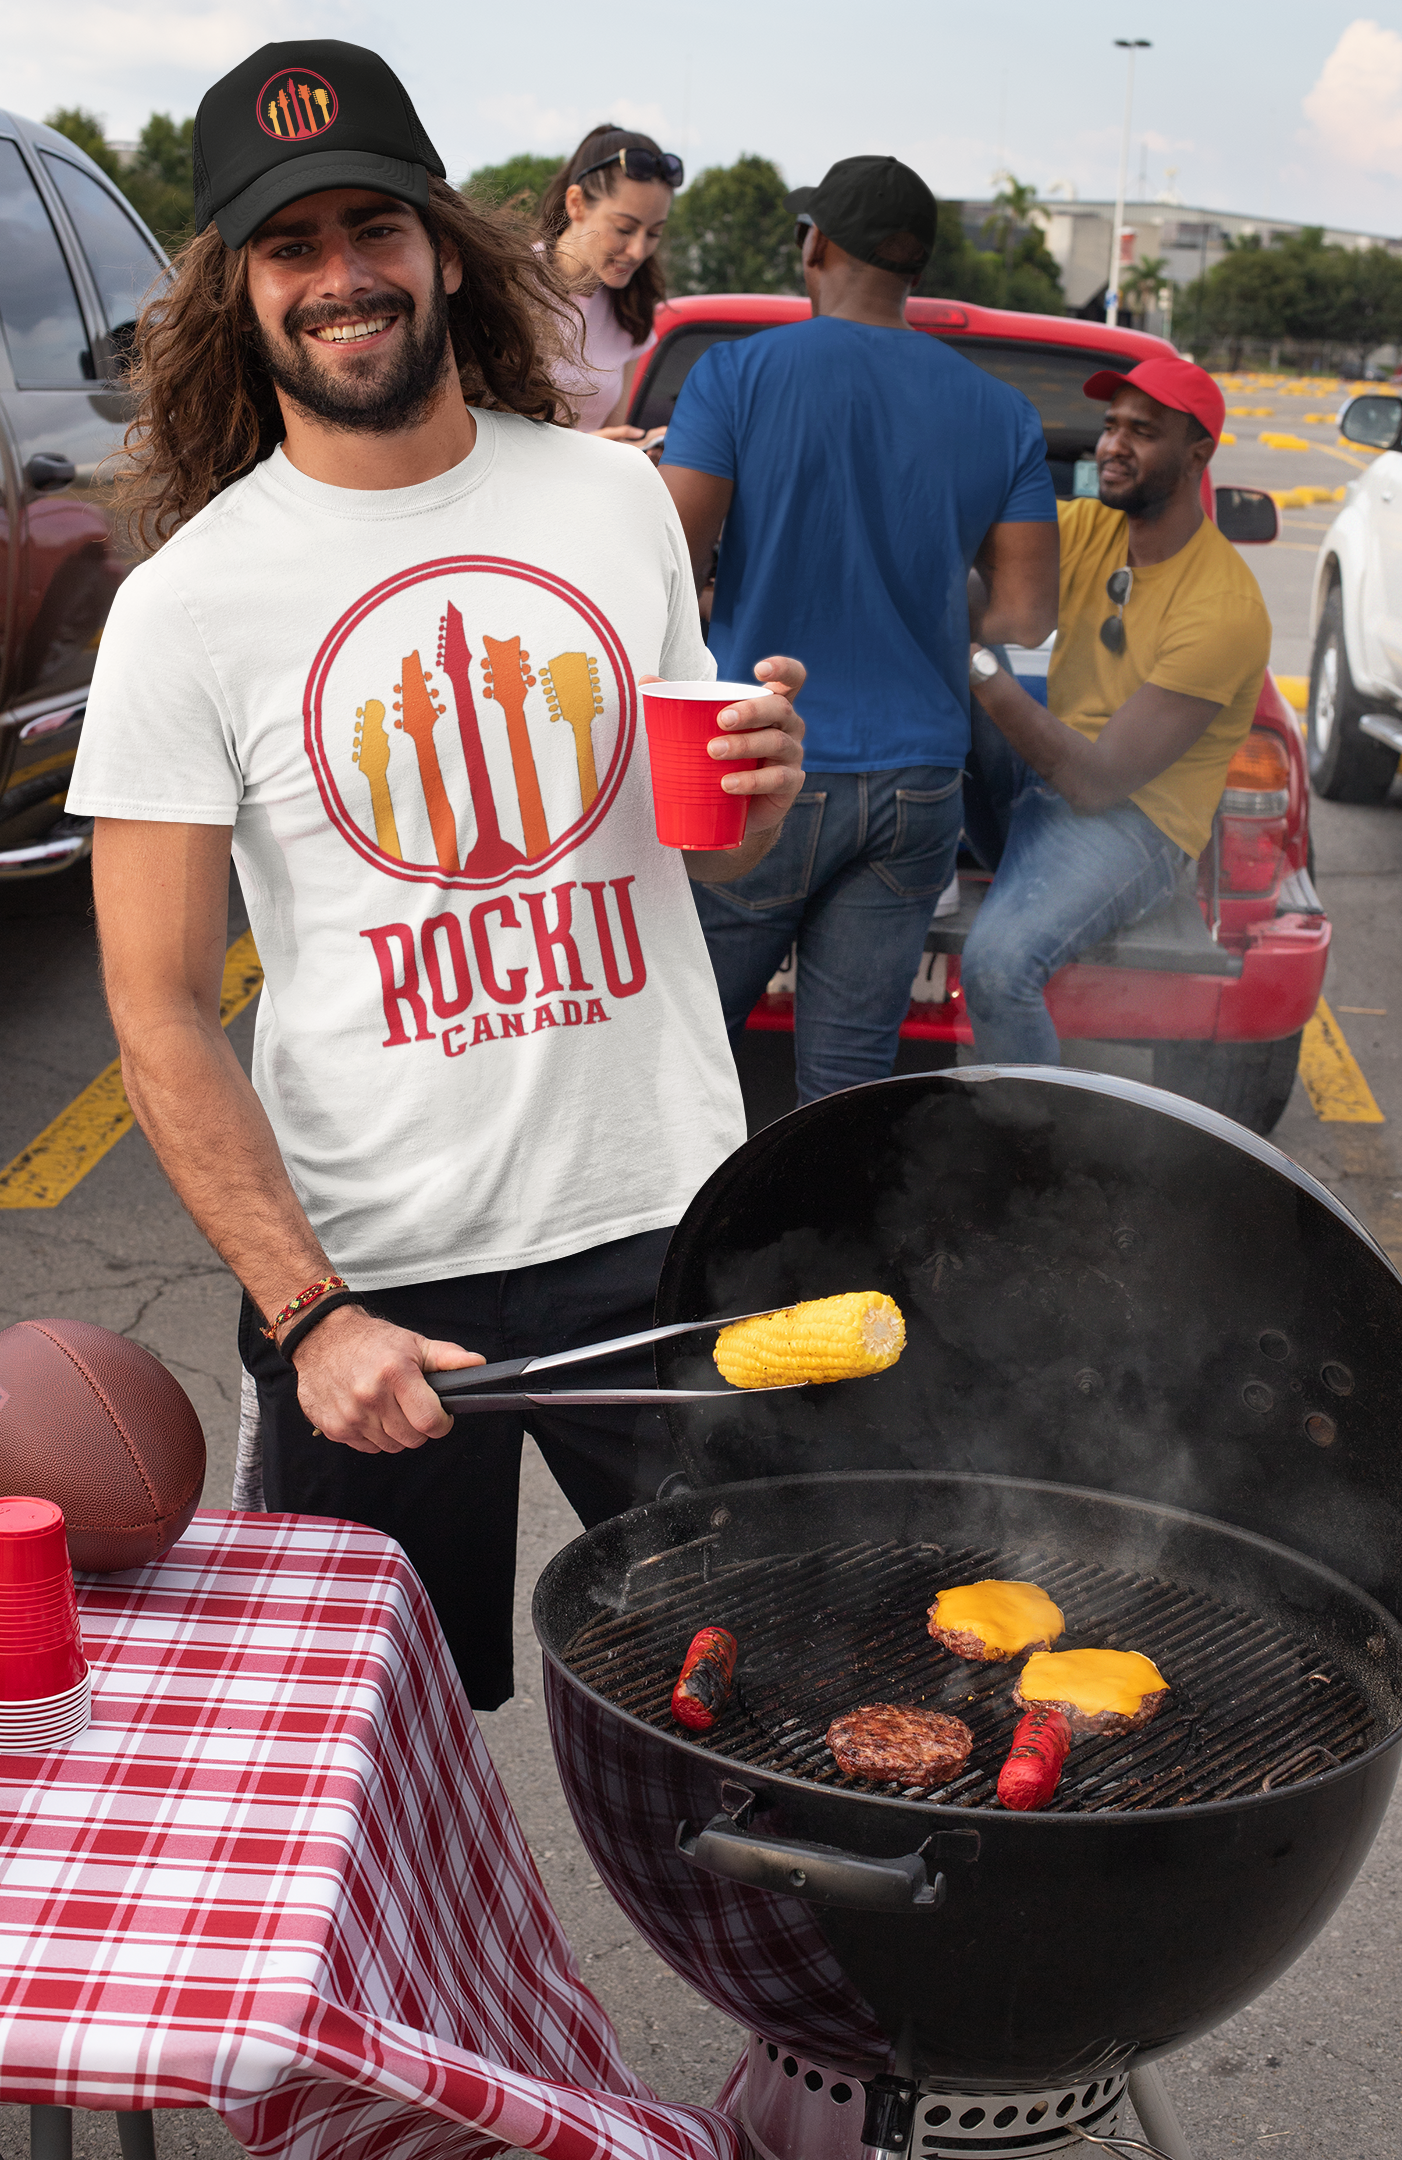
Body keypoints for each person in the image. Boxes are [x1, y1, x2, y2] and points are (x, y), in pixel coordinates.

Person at [66, 38, 805, 1712]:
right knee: (366, 1745)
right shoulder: (191, 606)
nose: (340, 277)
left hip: (663, 1223)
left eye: (370, 228)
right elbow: (159, 1012)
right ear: (240, 292)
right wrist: (307, 1307)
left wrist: (759, 793)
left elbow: (705, 836)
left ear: (442, 247)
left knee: (752, 1696)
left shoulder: (614, 512)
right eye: (289, 245)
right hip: (377, 1274)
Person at [659, 156, 1058, 1104]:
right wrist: (922, 592)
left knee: (682, 1053)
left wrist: (728, 595)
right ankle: (823, 1249)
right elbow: (1025, 615)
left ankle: (672, 1247)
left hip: (768, 768)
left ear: (818, 247)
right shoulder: (1002, 413)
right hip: (922, 782)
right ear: (914, 267)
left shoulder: (737, 376)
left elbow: (665, 565)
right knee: (847, 1084)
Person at [959, 356, 1272, 1064]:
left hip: (1132, 825)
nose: (1111, 446)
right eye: (1109, 426)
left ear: (1197, 455)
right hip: (1040, 788)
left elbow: (1099, 783)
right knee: (942, 595)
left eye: (1142, 431)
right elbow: (971, 548)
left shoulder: (1223, 608)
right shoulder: (1089, 528)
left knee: (999, 970)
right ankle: (891, 848)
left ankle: (1028, 1158)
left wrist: (972, 660)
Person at [537, 125, 681, 447]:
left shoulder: (631, 311)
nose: (639, 251)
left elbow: (611, 439)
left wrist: (638, 449)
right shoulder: (508, 285)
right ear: (576, 203)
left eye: (654, 233)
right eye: (624, 228)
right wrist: (586, 449)